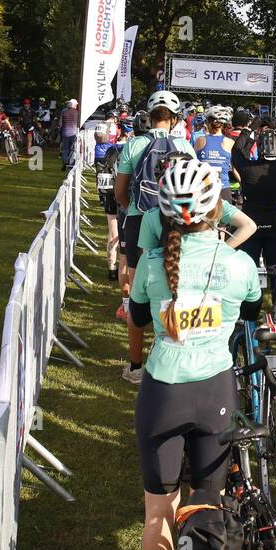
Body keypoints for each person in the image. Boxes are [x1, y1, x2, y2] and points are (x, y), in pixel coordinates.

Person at [129, 159, 262, 550]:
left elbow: (135, 319)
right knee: (207, 505)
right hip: (214, 391)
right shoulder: (239, 263)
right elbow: (251, 313)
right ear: (216, 208)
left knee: (157, 514)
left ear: (166, 213)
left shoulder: (151, 263)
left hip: (162, 393)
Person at [115, 90, 197, 383]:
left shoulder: (134, 144)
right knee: (178, 283)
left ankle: (136, 365)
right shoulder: (185, 145)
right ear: (175, 119)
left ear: (149, 117)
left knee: (139, 291)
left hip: (139, 219)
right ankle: (177, 348)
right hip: (177, 221)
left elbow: (120, 192)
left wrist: (134, 211)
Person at [136, 152, 257, 254]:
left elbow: (148, 258)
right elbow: (249, 225)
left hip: (169, 275)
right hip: (208, 270)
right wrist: (221, 251)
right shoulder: (212, 204)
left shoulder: (151, 215)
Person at [232, 118, 276, 279]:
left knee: (247, 273)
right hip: (275, 226)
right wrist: (275, 130)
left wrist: (251, 128)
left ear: (260, 148)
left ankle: (250, 302)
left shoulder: (248, 169)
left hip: (251, 225)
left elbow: (237, 150)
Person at [94, 124, 124, 280]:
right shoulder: (134, 148)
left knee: (113, 233)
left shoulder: (111, 150)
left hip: (111, 195)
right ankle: (125, 267)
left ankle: (112, 269)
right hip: (126, 196)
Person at [195, 105, 235, 198]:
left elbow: (194, 162)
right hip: (223, 188)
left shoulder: (199, 140)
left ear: (208, 122)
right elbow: (234, 168)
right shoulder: (230, 142)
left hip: (203, 187)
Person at [58, 99, 79, 169]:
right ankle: (71, 163)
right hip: (74, 134)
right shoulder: (77, 113)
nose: (76, 106)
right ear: (74, 105)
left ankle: (65, 162)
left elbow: (60, 124)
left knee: (65, 149)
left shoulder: (64, 112)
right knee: (73, 149)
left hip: (65, 133)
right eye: (76, 105)